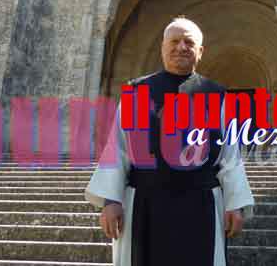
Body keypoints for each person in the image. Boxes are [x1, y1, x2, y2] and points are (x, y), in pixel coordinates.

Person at [85, 17, 255, 266]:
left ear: (200, 51)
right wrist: (111, 201)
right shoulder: (136, 93)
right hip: (144, 204)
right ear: (163, 48)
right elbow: (118, 148)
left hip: (202, 205)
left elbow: (230, 155)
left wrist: (235, 203)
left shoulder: (218, 97)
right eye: (174, 41)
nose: (181, 47)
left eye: (189, 42)